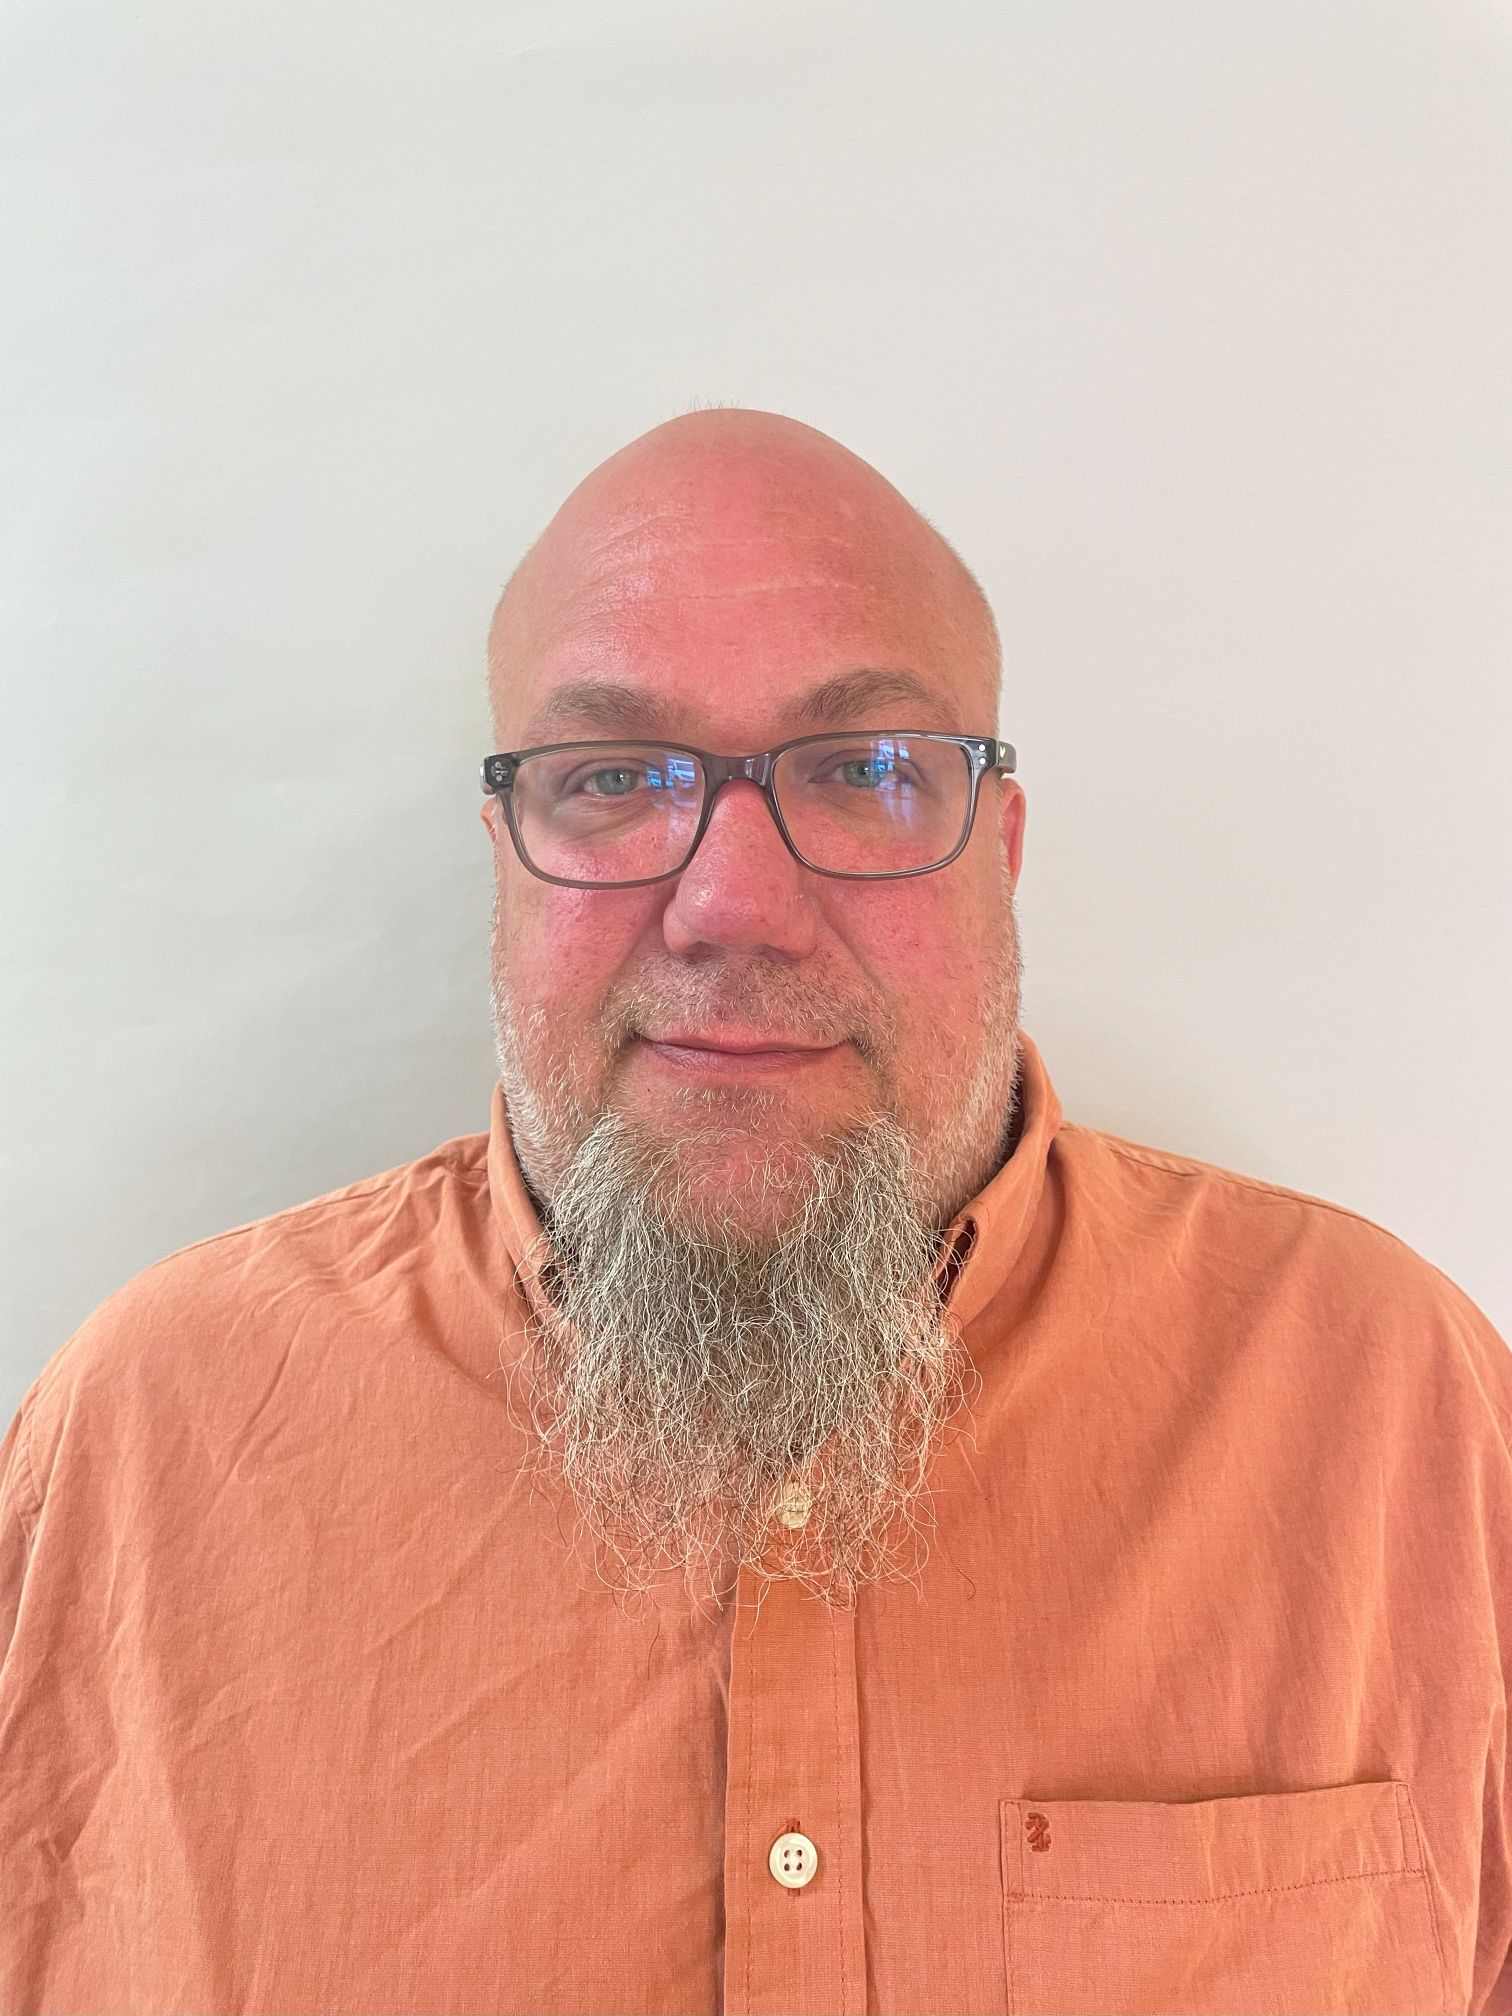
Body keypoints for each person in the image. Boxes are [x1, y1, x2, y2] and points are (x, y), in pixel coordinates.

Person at [1, 407, 1508, 2016]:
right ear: (505, 861)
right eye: (611, 779)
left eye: (864, 772)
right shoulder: (146, 1441)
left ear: (1000, 852)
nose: (732, 905)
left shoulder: (1390, 1404)